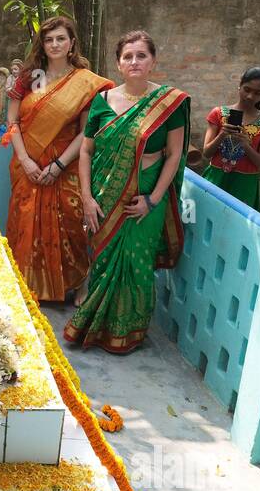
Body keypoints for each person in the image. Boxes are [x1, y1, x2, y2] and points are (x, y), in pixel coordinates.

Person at [64, 31, 190, 354]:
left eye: (141, 56)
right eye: (127, 56)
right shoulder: (102, 101)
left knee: (137, 265)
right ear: (118, 64)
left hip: (146, 197)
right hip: (105, 196)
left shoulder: (168, 103)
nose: (134, 61)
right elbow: (87, 152)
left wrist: (154, 198)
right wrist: (88, 198)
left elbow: (174, 154)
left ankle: (128, 333)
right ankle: (97, 328)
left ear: (153, 62)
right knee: (104, 260)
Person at [4, 15, 111, 302]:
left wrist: (59, 164)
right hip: (28, 165)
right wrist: (26, 160)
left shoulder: (85, 83)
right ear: (42, 43)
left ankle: (76, 282)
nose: (54, 44)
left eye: (61, 38)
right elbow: (12, 123)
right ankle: (26, 285)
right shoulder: (28, 79)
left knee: (71, 225)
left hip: (66, 165)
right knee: (24, 221)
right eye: (49, 39)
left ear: (72, 43)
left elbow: (87, 132)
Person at [201, 67, 260, 210]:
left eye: (257, 93)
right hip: (217, 178)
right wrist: (222, 134)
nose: (250, 96)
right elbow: (206, 153)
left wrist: (245, 145)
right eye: (247, 89)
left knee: (236, 225)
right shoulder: (218, 113)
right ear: (239, 86)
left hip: (244, 184)